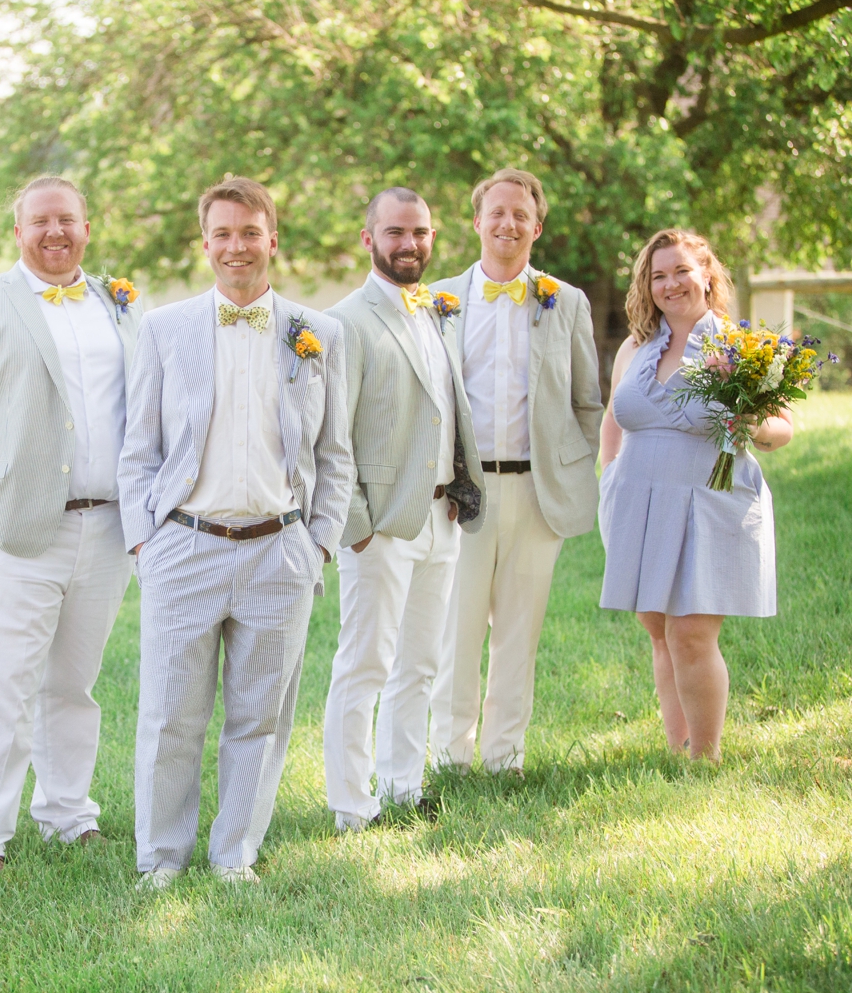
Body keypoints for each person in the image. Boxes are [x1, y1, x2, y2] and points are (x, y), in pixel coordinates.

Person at [120, 177, 353, 888]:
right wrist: (145, 543)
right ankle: (161, 859)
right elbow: (138, 449)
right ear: (205, 244)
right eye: (222, 234)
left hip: (279, 549)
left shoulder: (319, 333)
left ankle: (235, 855)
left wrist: (316, 542)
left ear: (272, 240)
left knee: (262, 717)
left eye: (250, 232)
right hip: (183, 544)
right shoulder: (163, 329)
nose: (236, 247)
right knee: (169, 716)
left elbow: (336, 453)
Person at [0, 176, 142, 872]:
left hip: (105, 531)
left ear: (86, 227)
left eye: (67, 221)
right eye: (40, 221)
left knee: (74, 685)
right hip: (12, 531)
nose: (55, 233)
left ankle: (67, 814)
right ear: (18, 231)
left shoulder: (119, 303)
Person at [428, 168, 603, 775]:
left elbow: (586, 402)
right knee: (457, 630)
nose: (508, 224)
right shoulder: (440, 302)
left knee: (519, 633)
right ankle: (449, 758)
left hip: (536, 490)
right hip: (462, 493)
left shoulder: (567, 301)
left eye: (520, 214)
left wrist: (569, 471)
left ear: (536, 226)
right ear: (477, 221)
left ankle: (505, 758)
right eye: (496, 212)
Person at [323, 188, 486, 832]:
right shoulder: (346, 322)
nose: (408, 244)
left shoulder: (437, 314)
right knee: (365, 663)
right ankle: (350, 803)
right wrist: (357, 529)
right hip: (380, 525)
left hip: (441, 517)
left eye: (419, 232)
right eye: (394, 232)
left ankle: (401, 786)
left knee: (420, 663)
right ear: (368, 239)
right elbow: (330, 437)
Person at [598, 229, 787, 762]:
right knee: (659, 632)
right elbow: (615, 417)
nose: (670, 283)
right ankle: (678, 749)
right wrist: (609, 478)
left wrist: (756, 423)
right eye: (658, 275)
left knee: (690, 635)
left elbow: (782, 428)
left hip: (709, 504)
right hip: (637, 502)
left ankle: (706, 759)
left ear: (707, 274)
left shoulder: (738, 346)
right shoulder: (635, 348)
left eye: (681, 270)